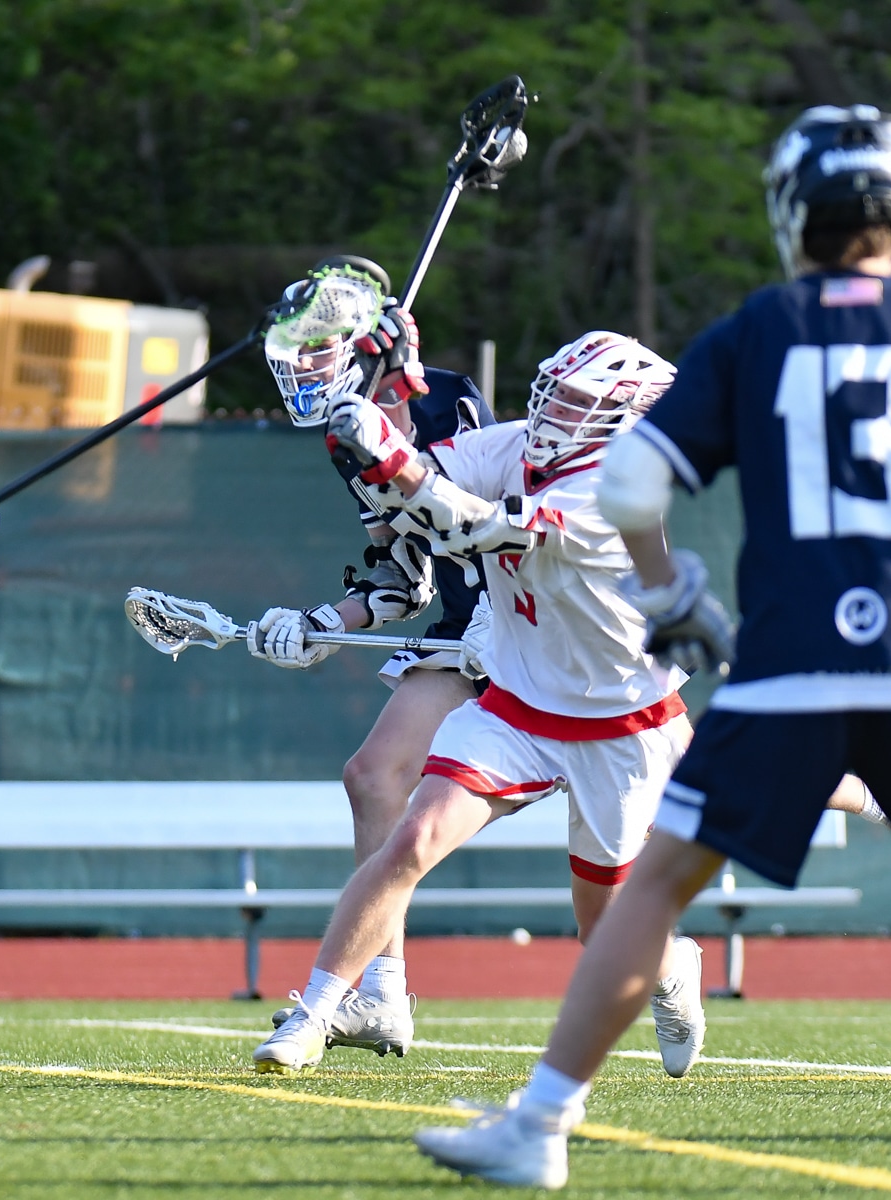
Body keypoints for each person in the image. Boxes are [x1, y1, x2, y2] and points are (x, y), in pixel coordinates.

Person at [412, 105, 891, 1193]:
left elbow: (633, 482)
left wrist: (668, 591)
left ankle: (541, 1126)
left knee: (655, 891)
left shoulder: (758, 330)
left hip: (790, 665)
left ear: (790, 214)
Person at [251, 330, 707, 1078]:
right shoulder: (520, 444)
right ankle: (318, 1012)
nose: (554, 413)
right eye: (554, 394)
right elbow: (422, 487)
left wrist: (388, 456)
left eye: (578, 403)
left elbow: (471, 525)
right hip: (518, 704)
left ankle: (671, 965)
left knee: (603, 928)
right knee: (413, 839)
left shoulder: (612, 492)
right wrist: (381, 415)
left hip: (617, 723)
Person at [247, 256, 493, 1058]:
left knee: (643, 812)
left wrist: (393, 435)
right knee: (373, 777)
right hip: (466, 629)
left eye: (318, 349)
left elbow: (478, 525)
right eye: (297, 352)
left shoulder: (449, 401)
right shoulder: (340, 438)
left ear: (370, 345)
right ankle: (383, 994)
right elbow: (403, 575)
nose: (303, 367)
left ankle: (669, 963)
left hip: (532, 624)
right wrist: (320, 624)